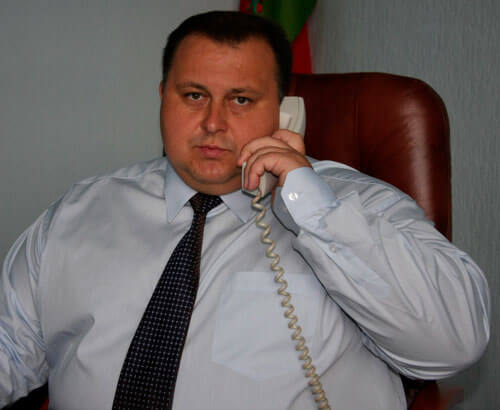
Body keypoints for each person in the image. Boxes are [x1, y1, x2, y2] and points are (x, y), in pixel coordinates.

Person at [0, 11, 490, 410]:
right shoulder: (79, 212)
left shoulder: (359, 206)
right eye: (194, 95)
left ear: (284, 109)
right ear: (163, 97)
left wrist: (311, 207)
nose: (213, 122)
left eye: (241, 99)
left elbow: (453, 344)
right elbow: (10, 350)